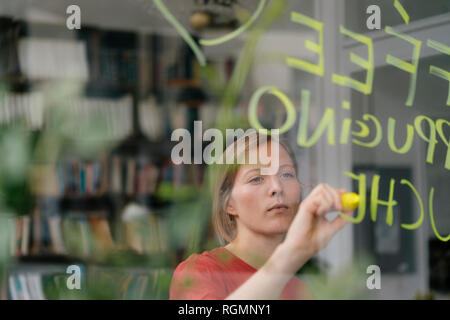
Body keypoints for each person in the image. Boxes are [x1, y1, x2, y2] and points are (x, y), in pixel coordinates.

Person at [169, 131, 354, 299]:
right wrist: (294, 252)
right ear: (228, 204)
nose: (276, 188)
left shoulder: (302, 289)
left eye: (287, 174)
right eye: (256, 178)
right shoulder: (201, 272)